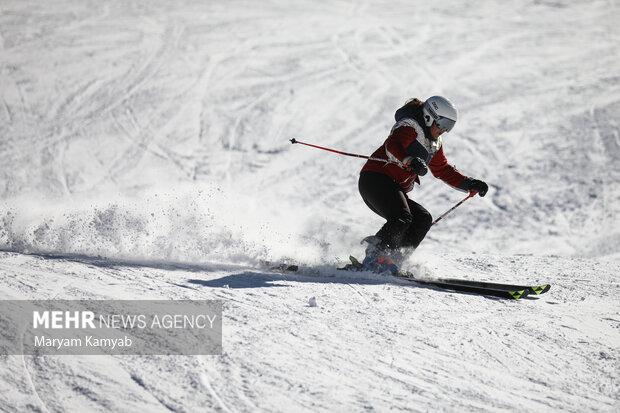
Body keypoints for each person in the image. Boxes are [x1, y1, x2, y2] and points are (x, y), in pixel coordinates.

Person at [358, 96, 488, 274]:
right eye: (442, 124)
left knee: (422, 219)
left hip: (393, 187)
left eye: (449, 126)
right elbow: (393, 144)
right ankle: (375, 258)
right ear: (429, 116)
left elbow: (442, 169)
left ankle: (393, 260)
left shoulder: (433, 143)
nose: (444, 130)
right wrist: (408, 159)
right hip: (375, 180)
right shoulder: (410, 127)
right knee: (402, 217)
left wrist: (469, 183)